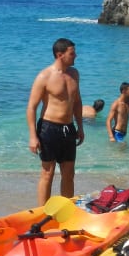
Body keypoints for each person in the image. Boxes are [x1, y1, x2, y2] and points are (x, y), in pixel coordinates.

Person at [27, 38, 84, 205]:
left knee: (69, 173)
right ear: (60, 55)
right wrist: (33, 137)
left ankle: (66, 209)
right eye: (72, 53)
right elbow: (31, 107)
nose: (75, 56)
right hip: (48, 128)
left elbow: (77, 102)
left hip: (68, 128)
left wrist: (80, 127)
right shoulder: (44, 76)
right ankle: (42, 212)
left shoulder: (74, 74)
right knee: (48, 173)